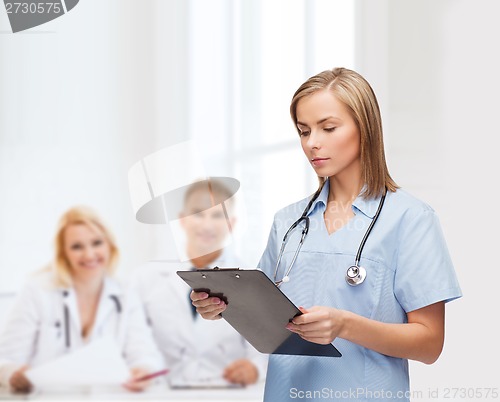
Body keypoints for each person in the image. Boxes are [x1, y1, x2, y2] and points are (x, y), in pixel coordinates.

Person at [191, 68, 462, 401]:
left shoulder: (410, 219)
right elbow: (265, 320)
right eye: (304, 131)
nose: (312, 143)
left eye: (328, 128)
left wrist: (345, 326)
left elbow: (430, 344)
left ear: (365, 128)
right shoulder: (288, 222)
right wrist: (223, 307)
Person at [0, 206, 164, 393]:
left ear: (109, 245)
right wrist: (12, 374)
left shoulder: (125, 292)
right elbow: (5, 358)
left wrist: (143, 370)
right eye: (77, 246)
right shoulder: (37, 291)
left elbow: (145, 353)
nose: (89, 254)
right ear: (64, 253)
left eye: (96, 243)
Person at [132, 178, 267, 387]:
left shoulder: (252, 280)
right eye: (198, 213)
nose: (207, 224)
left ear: (232, 224)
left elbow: (264, 346)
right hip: (164, 392)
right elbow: (136, 339)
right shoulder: (146, 277)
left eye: (217, 215)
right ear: (183, 219)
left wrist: (255, 368)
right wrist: (143, 368)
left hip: (226, 394)